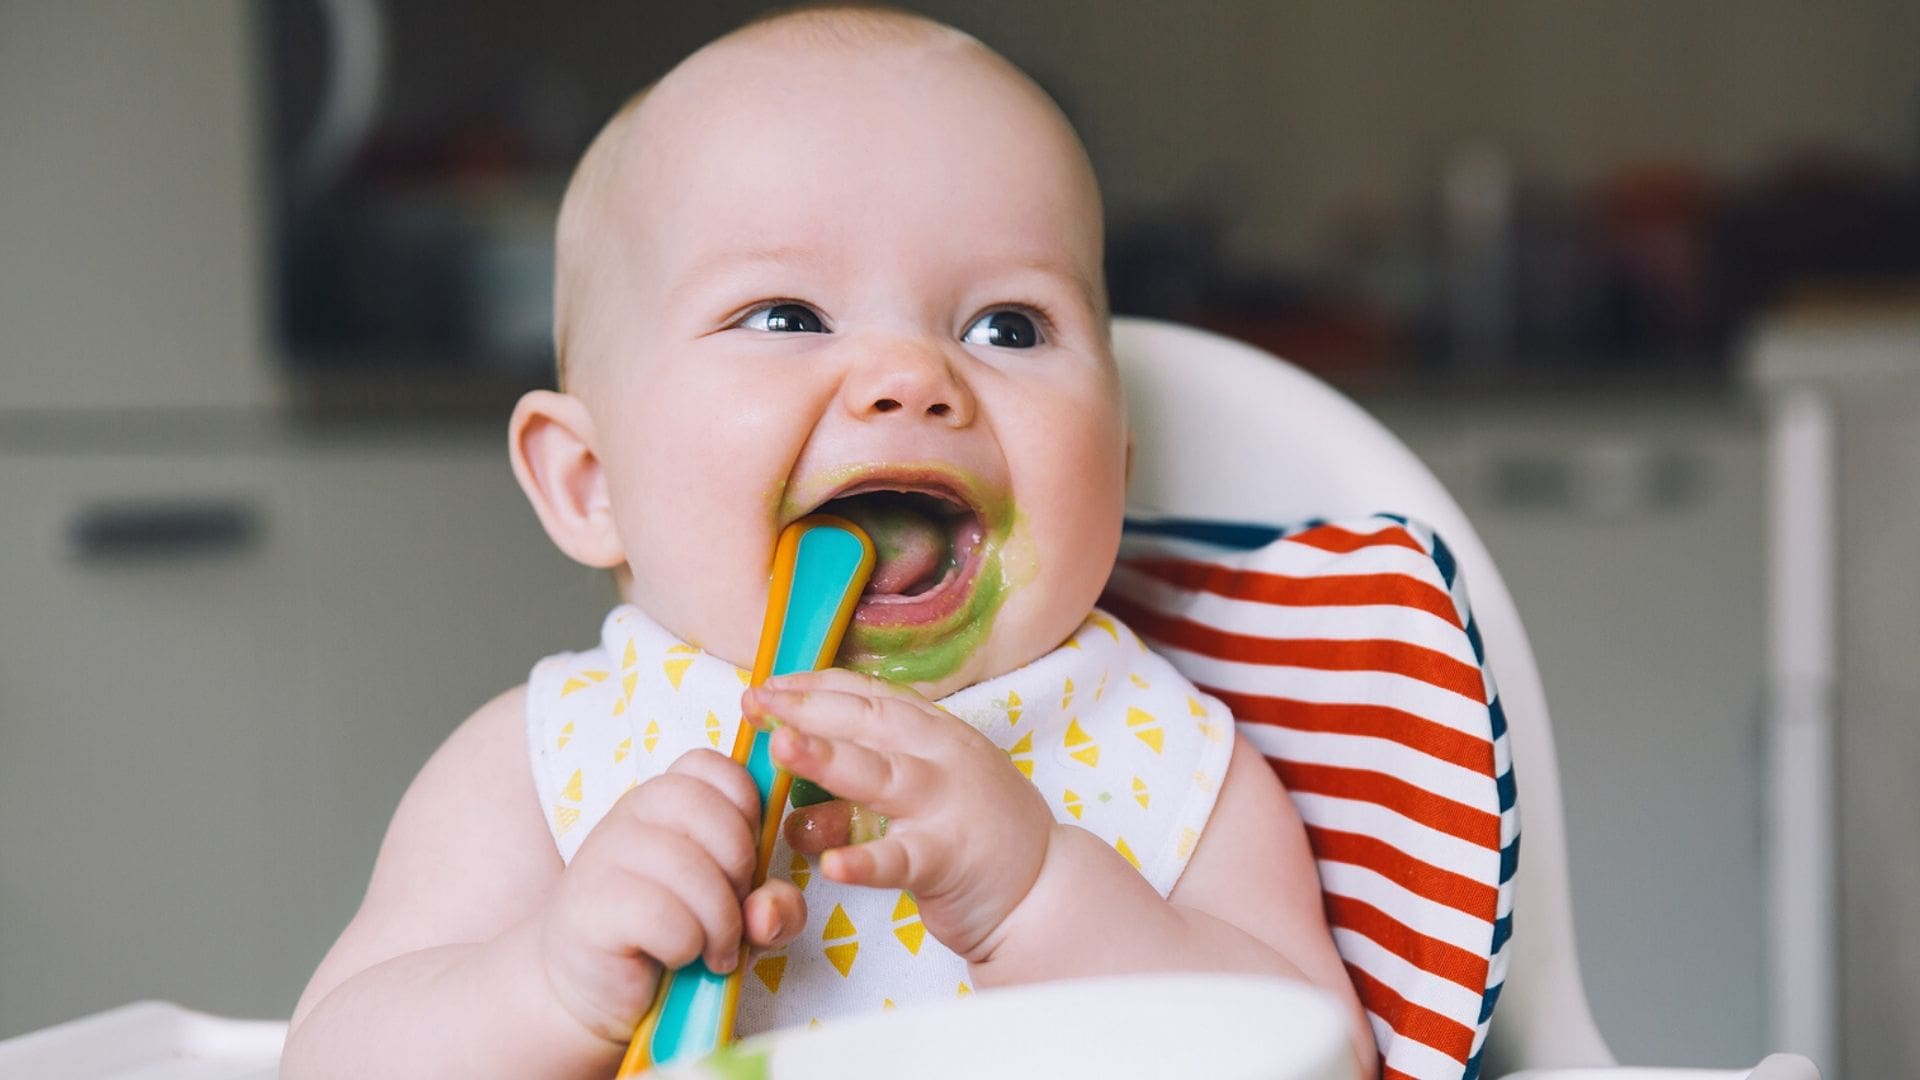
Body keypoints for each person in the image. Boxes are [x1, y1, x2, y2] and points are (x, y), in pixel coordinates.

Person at [283, 7, 1374, 1076]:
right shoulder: (541, 768)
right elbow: (328, 1061)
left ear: (1115, 473)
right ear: (590, 481)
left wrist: (1041, 899)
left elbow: (1315, 1053)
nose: (913, 377)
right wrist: (545, 985)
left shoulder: (1171, 764)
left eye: (1009, 326)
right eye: (787, 316)